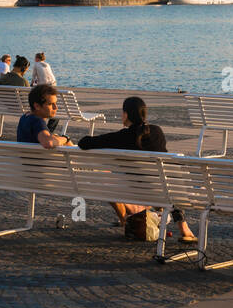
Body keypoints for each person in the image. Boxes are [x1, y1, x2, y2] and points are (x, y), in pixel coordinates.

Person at [78, 97, 197, 242]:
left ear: (126, 115)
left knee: (103, 176)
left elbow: (84, 142)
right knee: (168, 180)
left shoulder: (122, 136)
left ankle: (126, 219)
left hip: (135, 191)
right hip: (164, 191)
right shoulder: (157, 132)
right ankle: (184, 228)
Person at [15, 84, 70, 149]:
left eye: (55, 103)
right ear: (37, 106)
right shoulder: (37, 121)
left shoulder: (24, 117)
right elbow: (48, 143)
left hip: (24, 157)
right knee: (66, 142)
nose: (56, 107)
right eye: (50, 104)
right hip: (38, 158)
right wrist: (66, 138)